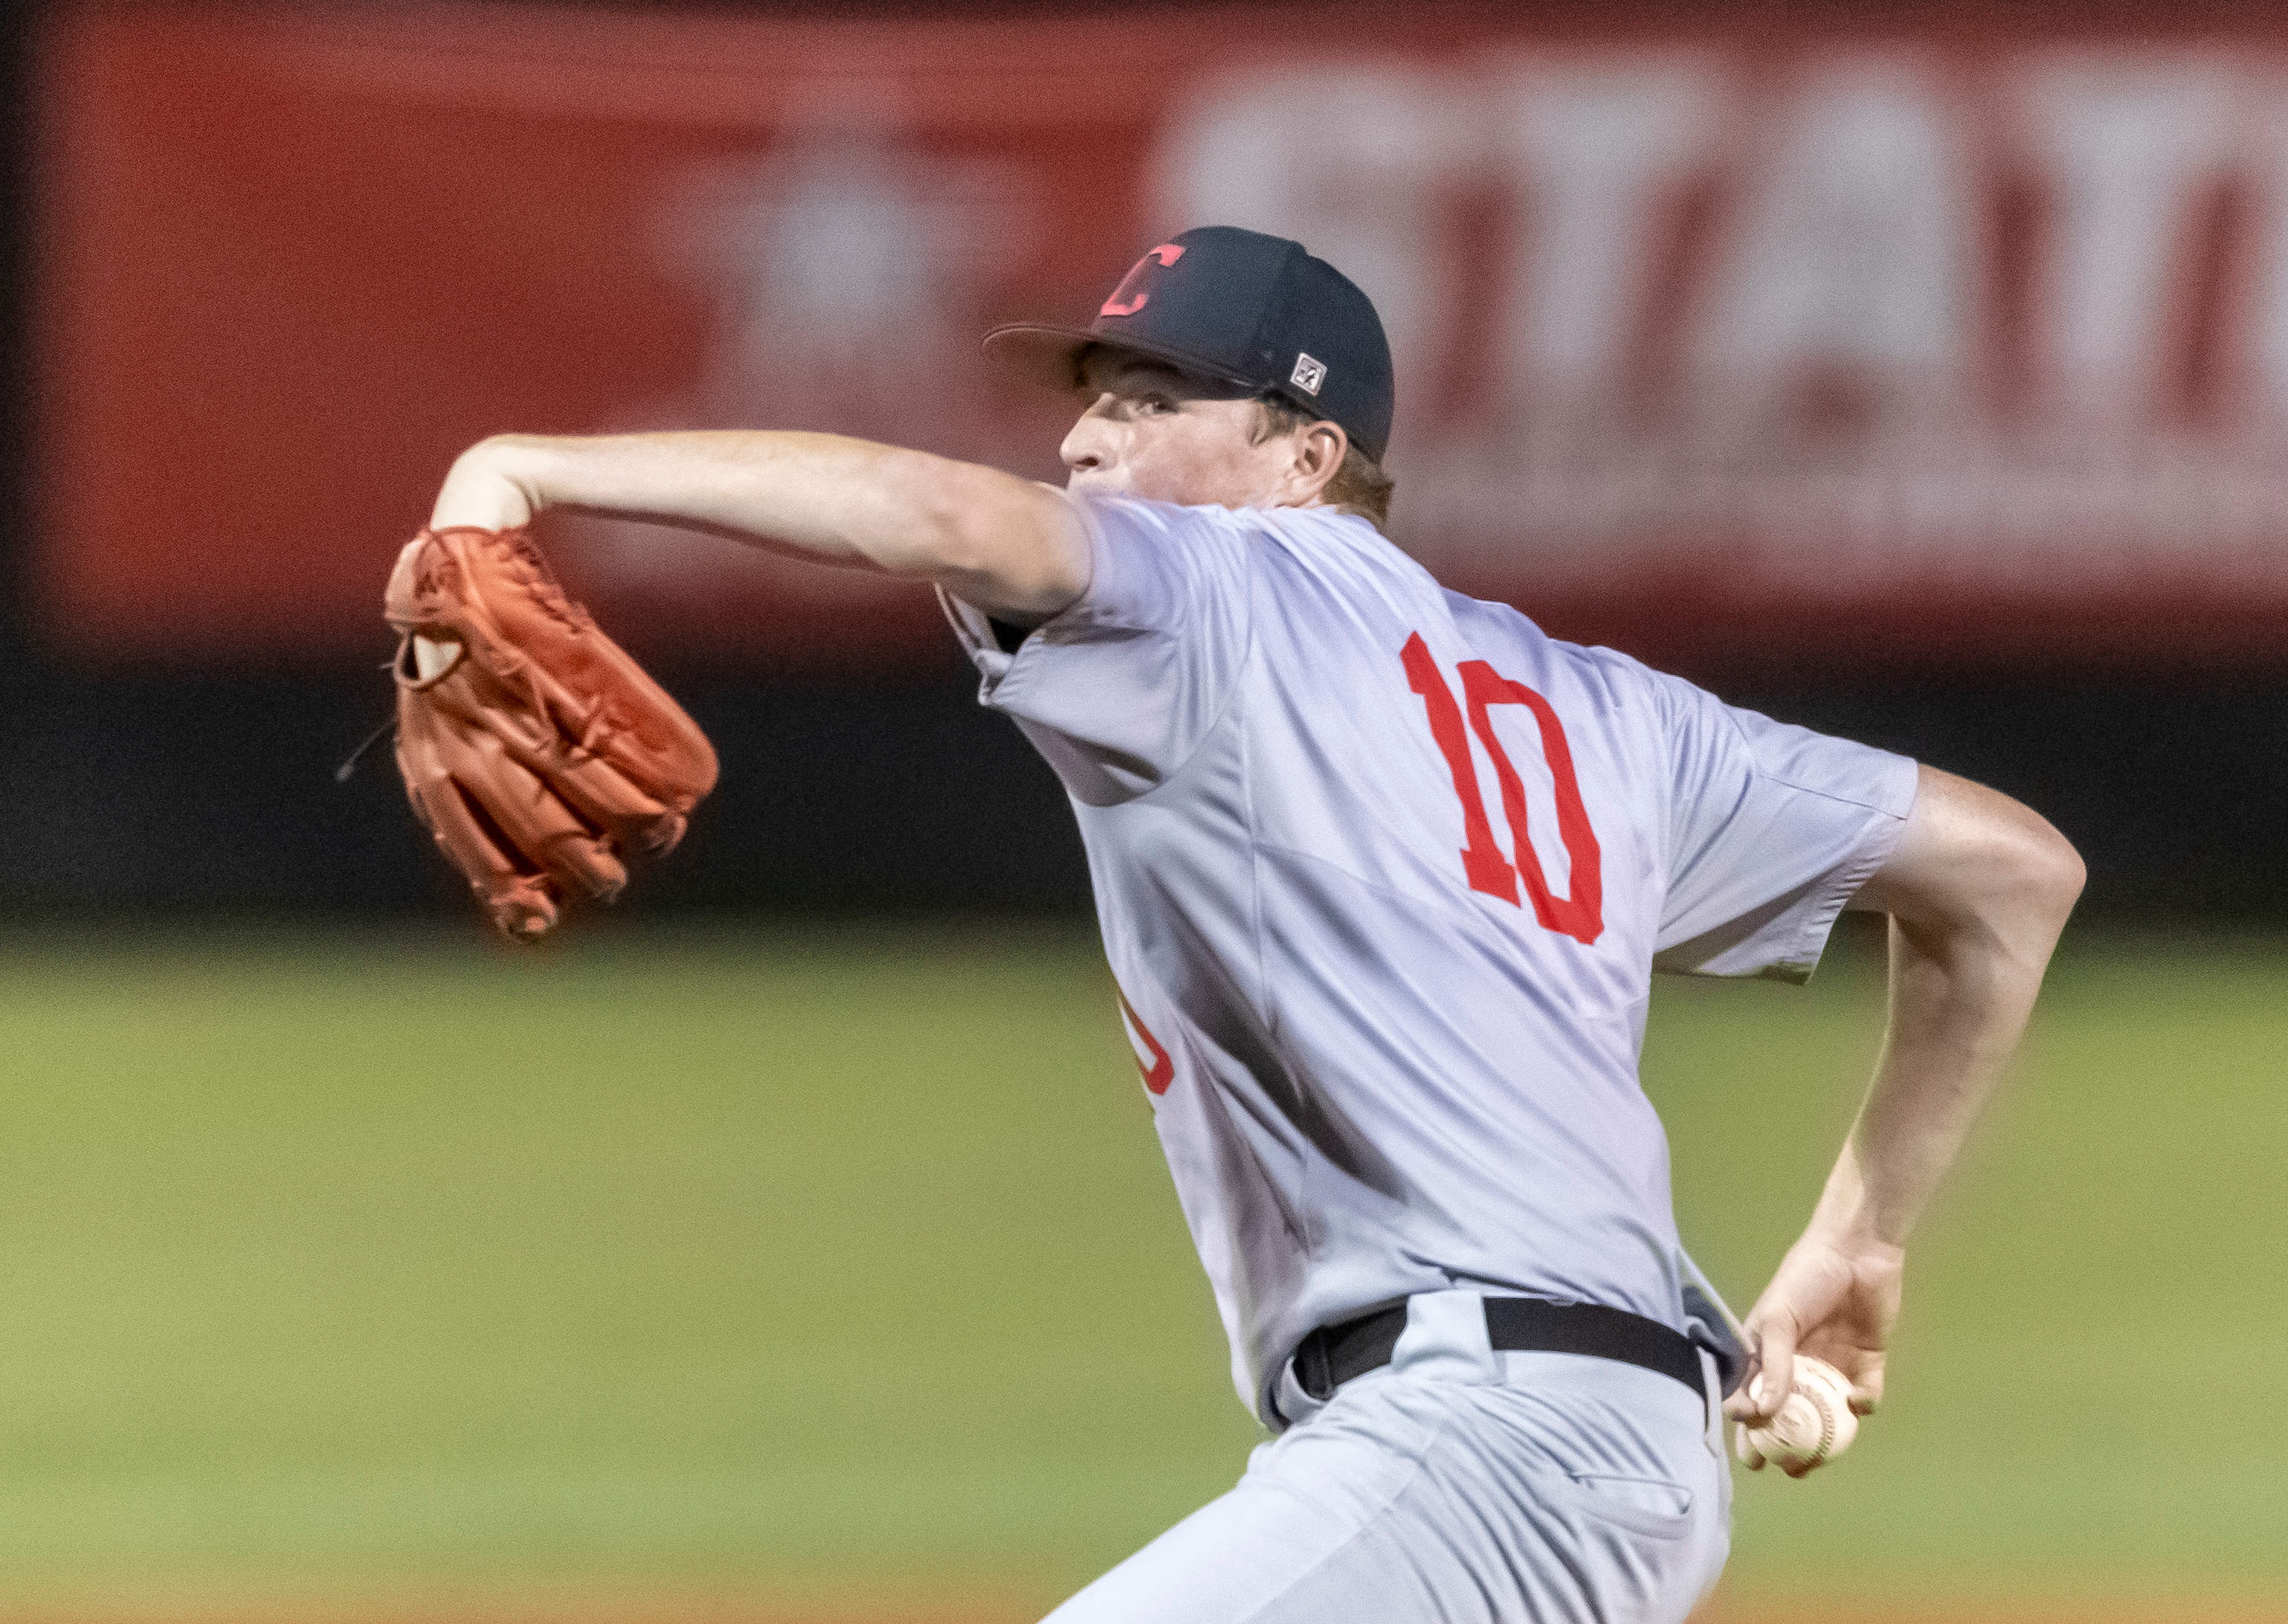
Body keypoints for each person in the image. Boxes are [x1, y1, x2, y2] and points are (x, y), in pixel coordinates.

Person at [421, 225, 2083, 1623]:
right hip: (1592, 1442)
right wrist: (1858, 1242)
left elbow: (936, 514)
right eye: (1089, 406)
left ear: (1302, 461)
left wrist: (525, 472)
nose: (1084, 447)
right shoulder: (1613, 717)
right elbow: (2012, 873)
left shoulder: (1226, 585)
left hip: (1480, 1439)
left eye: (1148, 404)